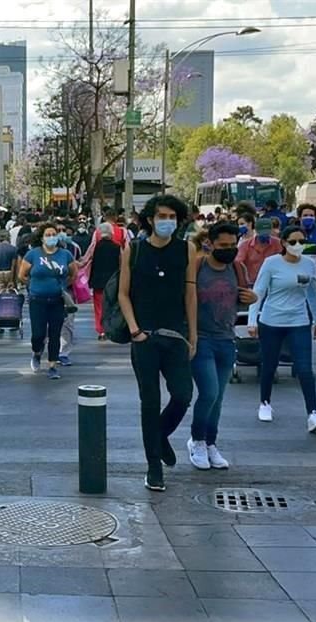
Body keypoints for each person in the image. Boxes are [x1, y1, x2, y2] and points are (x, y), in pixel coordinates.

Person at [118, 195, 197, 492]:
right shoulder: (134, 250)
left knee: (182, 394)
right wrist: (135, 330)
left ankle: (160, 435)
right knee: (149, 402)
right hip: (145, 337)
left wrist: (193, 335)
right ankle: (154, 466)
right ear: (150, 219)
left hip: (176, 336)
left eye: (173, 216)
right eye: (162, 216)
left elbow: (190, 293)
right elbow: (123, 293)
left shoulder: (186, 249)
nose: (167, 221)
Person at [188, 223, 257, 470]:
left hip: (227, 339)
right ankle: (196, 440)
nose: (228, 250)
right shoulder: (197, 267)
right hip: (201, 338)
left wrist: (253, 298)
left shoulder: (237, 268)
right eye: (223, 246)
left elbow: (246, 296)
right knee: (209, 392)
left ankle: (210, 443)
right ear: (210, 244)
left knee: (218, 397)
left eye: (232, 245)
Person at [247, 225, 316, 433]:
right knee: (269, 364)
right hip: (271, 321)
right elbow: (259, 291)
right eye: (292, 242)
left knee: (304, 368)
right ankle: (265, 403)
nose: (297, 245)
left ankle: (313, 413)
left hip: (299, 322)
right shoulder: (272, 263)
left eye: (302, 241)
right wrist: (252, 320)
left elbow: (312, 293)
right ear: (283, 243)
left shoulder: (309, 265)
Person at [19, 223, 76, 380]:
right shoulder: (33, 254)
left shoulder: (65, 255)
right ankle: (37, 352)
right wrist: (32, 286)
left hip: (57, 300)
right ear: (42, 238)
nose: (52, 237)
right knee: (38, 333)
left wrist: (63, 286)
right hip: (37, 299)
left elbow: (73, 274)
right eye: (48, 234)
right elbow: (22, 275)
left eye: (54, 234)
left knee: (55, 333)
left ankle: (52, 365)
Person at [88, 223, 122, 341]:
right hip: (113, 282)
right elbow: (121, 264)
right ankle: (109, 328)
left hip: (98, 282)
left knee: (98, 306)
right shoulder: (117, 247)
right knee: (111, 306)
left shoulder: (95, 247)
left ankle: (101, 330)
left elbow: (88, 261)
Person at [236, 218, 281, 286]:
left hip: (272, 283)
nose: (265, 235)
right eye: (262, 233)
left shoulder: (278, 243)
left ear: (271, 230)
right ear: (256, 231)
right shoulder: (245, 245)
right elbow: (238, 263)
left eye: (267, 232)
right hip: (252, 283)